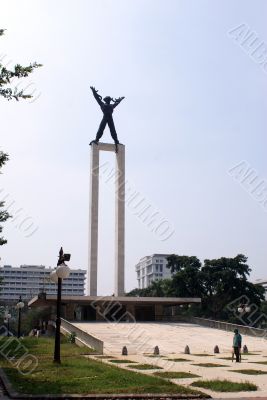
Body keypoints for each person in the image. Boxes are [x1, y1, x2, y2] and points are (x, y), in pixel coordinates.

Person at [90, 86, 125, 152]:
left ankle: (116, 141)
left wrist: (121, 99)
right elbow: (97, 98)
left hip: (110, 119)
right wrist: (93, 91)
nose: (108, 100)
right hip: (105, 118)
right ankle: (97, 139)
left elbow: (117, 103)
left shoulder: (111, 106)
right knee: (101, 129)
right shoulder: (102, 105)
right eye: (107, 99)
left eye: (108, 99)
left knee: (113, 130)